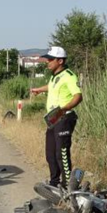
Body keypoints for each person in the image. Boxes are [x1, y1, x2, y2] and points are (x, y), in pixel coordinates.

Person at [30, 46, 83, 188]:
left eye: (50, 59)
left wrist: (64, 108)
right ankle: (54, 183)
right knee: (50, 154)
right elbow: (51, 86)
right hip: (53, 119)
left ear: (60, 61)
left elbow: (78, 96)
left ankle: (67, 186)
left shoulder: (69, 76)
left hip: (64, 118)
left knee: (62, 154)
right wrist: (39, 90)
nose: (47, 62)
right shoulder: (55, 76)